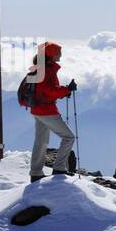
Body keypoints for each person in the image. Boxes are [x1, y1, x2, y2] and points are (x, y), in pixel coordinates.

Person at [26, 41, 78, 183]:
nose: (60, 54)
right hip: (46, 111)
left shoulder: (39, 68)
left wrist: (64, 91)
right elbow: (49, 91)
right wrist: (67, 89)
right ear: (52, 54)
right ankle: (59, 168)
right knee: (69, 137)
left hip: (37, 109)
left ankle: (36, 173)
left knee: (41, 140)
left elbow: (45, 91)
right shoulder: (47, 70)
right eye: (59, 52)